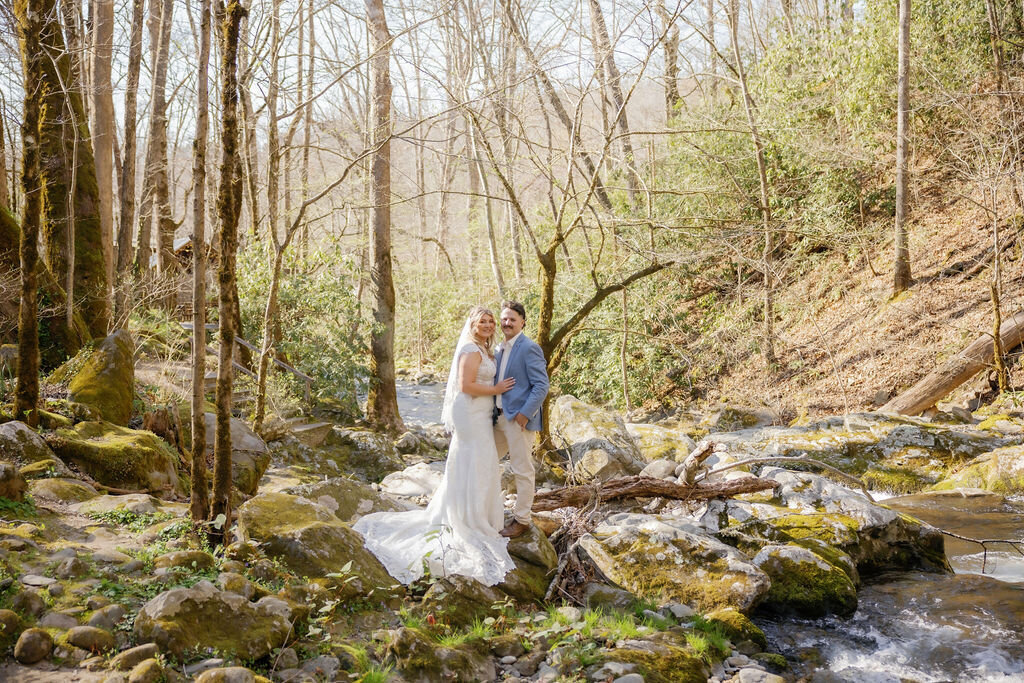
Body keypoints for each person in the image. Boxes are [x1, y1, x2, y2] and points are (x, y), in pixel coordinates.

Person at [353, 306, 517, 586]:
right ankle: (467, 519)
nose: (489, 325)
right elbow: (466, 386)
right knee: (476, 459)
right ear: (472, 324)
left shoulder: (485, 349)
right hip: (469, 412)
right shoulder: (469, 349)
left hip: (481, 413)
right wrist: (497, 390)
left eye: (491, 321)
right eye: (483, 321)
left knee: (483, 462)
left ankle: (480, 514)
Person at [492, 301, 550, 539]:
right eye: (504, 319)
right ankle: (489, 511)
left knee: (522, 470)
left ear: (522, 322)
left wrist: (525, 414)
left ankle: (522, 519)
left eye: (512, 319)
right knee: (484, 463)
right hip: (496, 419)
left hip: (518, 420)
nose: (507, 323)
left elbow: (541, 385)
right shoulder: (498, 348)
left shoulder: (529, 347)